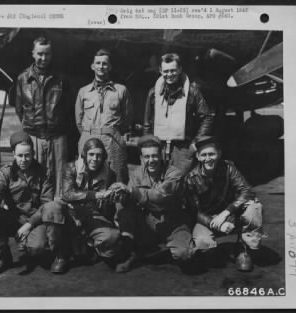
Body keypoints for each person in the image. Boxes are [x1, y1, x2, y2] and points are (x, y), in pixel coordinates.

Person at [0, 131, 68, 274]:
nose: (24, 159)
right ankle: (4, 256)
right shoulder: (6, 173)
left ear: (33, 153)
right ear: (13, 155)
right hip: (14, 218)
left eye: (27, 155)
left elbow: (45, 205)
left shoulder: (44, 173)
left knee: (37, 249)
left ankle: (37, 246)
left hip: (35, 219)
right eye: (20, 155)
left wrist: (29, 225)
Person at [110, 135, 196, 266]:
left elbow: (159, 196)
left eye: (155, 156)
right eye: (147, 157)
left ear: (161, 156)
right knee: (124, 211)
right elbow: (130, 203)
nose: (151, 160)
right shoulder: (137, 174)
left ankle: (159, 251)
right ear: (141, 158)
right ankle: (132, 250)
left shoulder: (174, 174)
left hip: (173, 223)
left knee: (183, 254)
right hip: (149, 223)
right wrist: (120, 196)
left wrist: (132, 191)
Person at [184, 136, 264, 272]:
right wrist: (217, 223)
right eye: (204, 155)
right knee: (203, 244)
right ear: (197, 156)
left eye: (212, 154)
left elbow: (246, 191)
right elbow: (194, 211)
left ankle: (243, 249)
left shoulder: (229, 168)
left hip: (230, 212)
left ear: (219, 153)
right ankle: (212, 250)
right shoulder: (191, 178)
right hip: (207, 219)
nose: (208, 158)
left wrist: (226, 213)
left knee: (254, 207)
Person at [61, 138, 137, 273]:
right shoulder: (71, 168)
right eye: (91, 154)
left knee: (112, 237)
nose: (95, 159)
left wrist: (115, 196)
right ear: (84, 155)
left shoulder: (110, 174)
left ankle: (92, 244)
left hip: (94, 215)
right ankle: (64, 253)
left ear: (103, 157)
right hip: (72, 213)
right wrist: (98, 195)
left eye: (99, 155)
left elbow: (111, 206)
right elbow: (67, 194)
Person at [15, 36, 72, 199]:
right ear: (33, 54)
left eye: (47, 54)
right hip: (34, 137)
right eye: (40, 54)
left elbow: (68, 109)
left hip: (58, 137)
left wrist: (58, 127)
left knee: (61, 181)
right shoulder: (23, 78)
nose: (43, 58)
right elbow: (20, 109)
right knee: (35, 178)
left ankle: (59, 212)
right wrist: (32, 127)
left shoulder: (61, 79)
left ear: (52, 55)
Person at [143, 53, 214, 174]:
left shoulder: (192, 92)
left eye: (173, 70)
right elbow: (147, 122)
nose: (169, 74)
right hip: (159, 146)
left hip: (183, 148)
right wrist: (148, 146)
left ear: (180, 69)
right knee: (159, 181)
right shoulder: (153, 93)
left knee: (182, 182)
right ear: (160, 70)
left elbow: (207, 117)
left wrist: (195, 143)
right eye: (166, 71)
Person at [75, 48, 132, 183]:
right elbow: (78, 120)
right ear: (92, 66)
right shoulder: (83, 92)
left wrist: (114, 132)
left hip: (112, 139)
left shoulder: (121, 90)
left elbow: (127, 118)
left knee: (116, 175)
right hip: (89, 136)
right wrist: (88, 135)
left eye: (105, 63)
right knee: (87, 175)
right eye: (98, 63)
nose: (101, 66)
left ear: (110, 67)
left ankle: (118, 204)